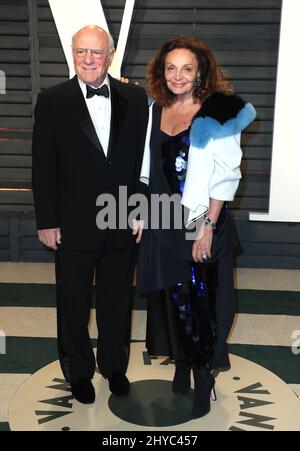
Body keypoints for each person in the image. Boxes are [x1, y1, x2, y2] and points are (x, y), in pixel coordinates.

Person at [137, 35, 256, 419]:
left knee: (205, 302)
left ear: (201, 71)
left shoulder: (217, 112)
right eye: (170, 68)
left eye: (186, 68)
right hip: (163, 220)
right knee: (174, 298)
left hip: (200, 220)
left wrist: (206, 226)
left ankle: (204, 376)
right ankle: (183, 363)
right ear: (161, 71)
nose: (178, 75)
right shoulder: (157, 109)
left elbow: (226, 175)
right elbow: (146, 167)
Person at [32, 25, 148, 404]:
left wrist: (139, 209)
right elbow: (42, 166)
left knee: (117, 301)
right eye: (82, 51)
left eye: (96, 52)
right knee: (73, 303)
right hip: (72, 223)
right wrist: (47, 221)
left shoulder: (135, 97)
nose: (88, 59)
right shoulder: (51, 100)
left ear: (110, 55)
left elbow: (140, 163)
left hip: (120, 219)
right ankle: (78, 371)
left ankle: (114, 366)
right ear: (72, 52)